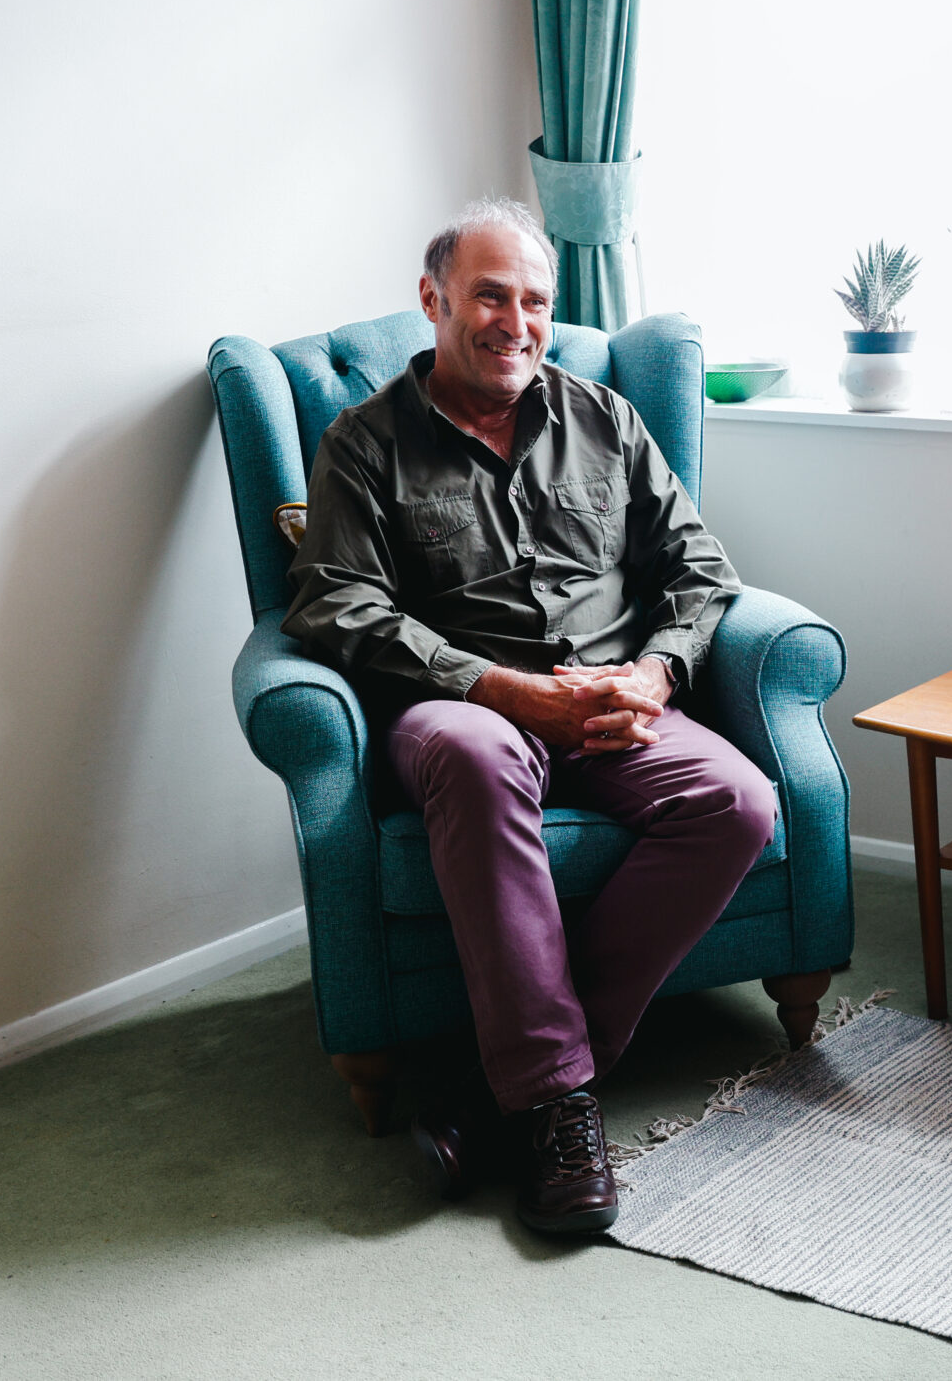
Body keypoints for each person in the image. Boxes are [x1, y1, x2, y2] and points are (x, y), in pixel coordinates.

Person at [282, 198, 778, 1235]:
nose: (517, 322)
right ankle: (561, 1117)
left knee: (736, 801)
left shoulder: (604, 419)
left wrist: (653, 675)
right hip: (459, 706)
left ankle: (505, 1091)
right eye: (491, 296)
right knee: (474, 757)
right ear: (434, 299)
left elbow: (700, 569)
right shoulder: (363, 444)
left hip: (607, 699)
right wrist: (503, 690)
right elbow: (336, 602)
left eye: (536, 301)